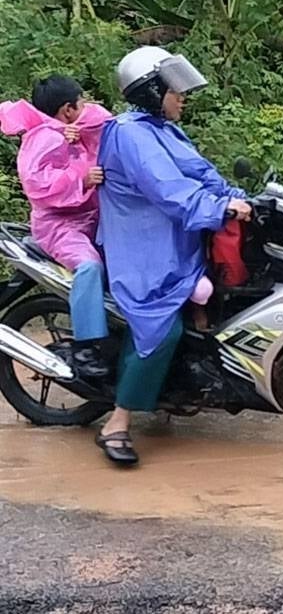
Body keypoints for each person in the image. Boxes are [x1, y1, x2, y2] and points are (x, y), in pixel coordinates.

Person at [95, 46, 252, 465]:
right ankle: (117, 422)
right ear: (150, 91)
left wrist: (239, 197)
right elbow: (169, 190)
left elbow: (200, 173)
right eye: (174, 89)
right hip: (144, 252)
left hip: (176, 245)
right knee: (161, 329)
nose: (182, 96)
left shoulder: (163, 129)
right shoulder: (129, 134)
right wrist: (220, 208)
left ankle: (179, 388)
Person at [0, 76, 113, 377]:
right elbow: (37, 184)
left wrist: (74, 129)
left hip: (92, 220)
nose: (87, 105)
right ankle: (86, 347)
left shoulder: (68, 129)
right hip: (60, 227)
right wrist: (82, 179)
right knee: (90, 267)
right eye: (81, 101)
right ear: (67, 109)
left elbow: (105, 121)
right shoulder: (42, 139)